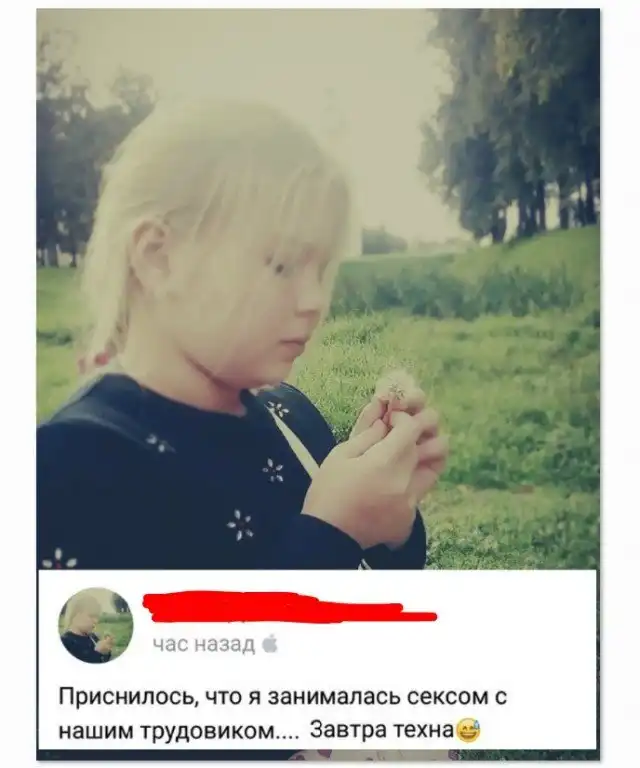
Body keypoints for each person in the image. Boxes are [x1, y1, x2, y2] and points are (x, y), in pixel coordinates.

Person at [37, 100, 451, 760]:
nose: (314, 300)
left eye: (322, 270)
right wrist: (331, 533)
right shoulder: (73, 466)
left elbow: (372, 582)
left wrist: (389, 518)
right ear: (159, 257)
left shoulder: (288, 412)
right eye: (282, 265)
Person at [59, 593, 114, 664]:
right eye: (91, 616)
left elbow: (102, 660)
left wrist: (106, 651)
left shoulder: (93, 637)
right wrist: (97, 652)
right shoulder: (65, 642)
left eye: (97, 617)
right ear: (76, 615)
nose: (96, 621)